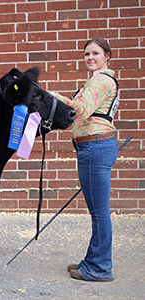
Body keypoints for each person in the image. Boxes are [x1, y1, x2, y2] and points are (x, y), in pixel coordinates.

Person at [51, 38, 119, 282]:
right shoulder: (95, 80)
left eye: (96, 53)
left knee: (100, 212)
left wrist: (51, 97)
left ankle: (100, 268)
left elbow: (82, 109)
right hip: (94, 146)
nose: (90, 57)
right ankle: (92, 261)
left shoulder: (101, 80)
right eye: (87, 54)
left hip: (96, 147)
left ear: (107, 56)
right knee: (97, 211)